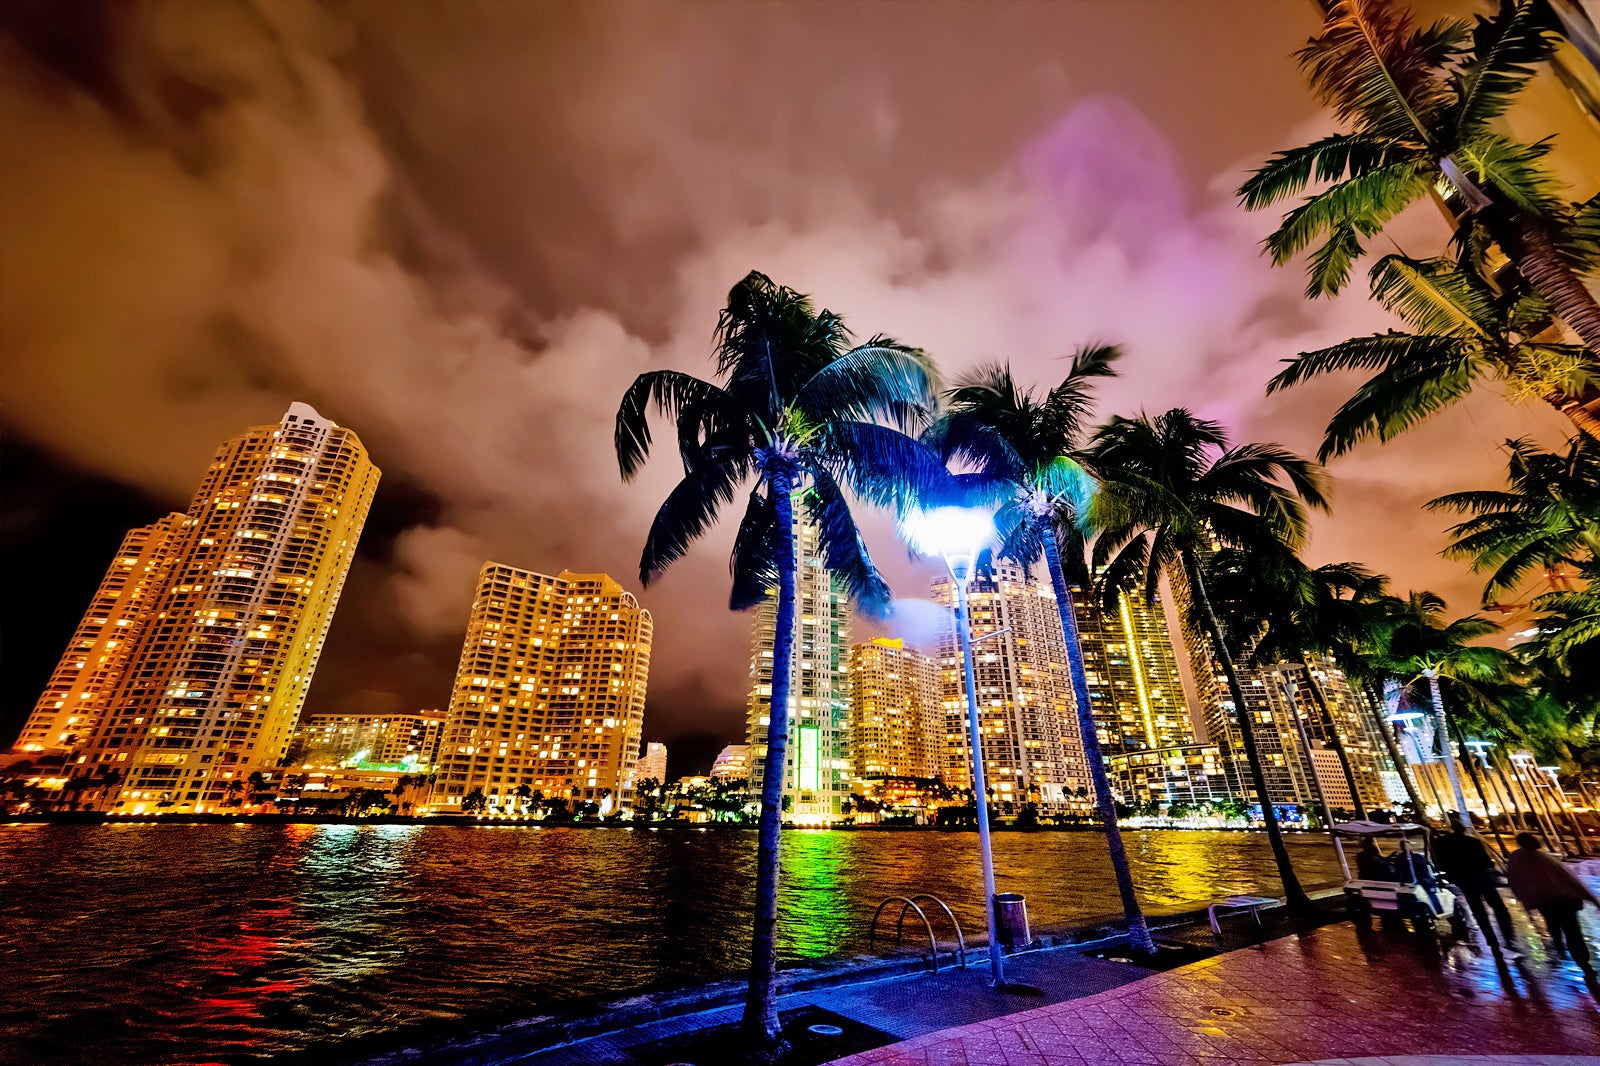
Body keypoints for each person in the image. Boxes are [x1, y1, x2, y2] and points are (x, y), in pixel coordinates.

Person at [1506, 832, 1599, 976]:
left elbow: (1514, 881)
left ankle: (1559, 947)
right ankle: (1582, 961)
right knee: (1572, 930)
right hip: (1563, 900)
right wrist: (1590, 898)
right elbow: (1569, 878)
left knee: (1553, 925)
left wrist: (1525, 901)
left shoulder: (1517, 858)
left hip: (1544, 902)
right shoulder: (1545, 857)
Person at [1433, 815, 1517, 954]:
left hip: (1464, 881)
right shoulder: (1473, 842)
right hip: (1481, 878)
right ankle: (1508, 938)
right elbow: (1486, 862)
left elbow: (1441, 861)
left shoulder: (1444, 844)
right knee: (1499, 908)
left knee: (1478, 911)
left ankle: (1492, 941)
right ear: (1464, 829)